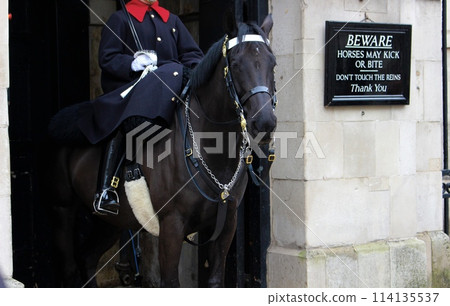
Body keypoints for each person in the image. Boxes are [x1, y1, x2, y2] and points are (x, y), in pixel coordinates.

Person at [77, 0, 204, 215]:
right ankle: (106, 189)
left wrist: (184, 70)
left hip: (169, 88)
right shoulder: (120, 18)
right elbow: (107, 58)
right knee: (126, 117)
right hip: (133, 88)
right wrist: (133, 63)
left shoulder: (170, 19)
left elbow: (193, 55)